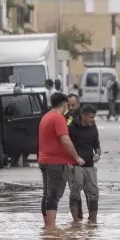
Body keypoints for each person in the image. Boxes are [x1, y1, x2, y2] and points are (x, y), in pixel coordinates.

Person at [38, 92, 86, 228]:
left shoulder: (45, 117)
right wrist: (76, 157)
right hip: (55, 163)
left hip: (44, 160)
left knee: (47, 194)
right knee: (53, 194)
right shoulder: (58, 118)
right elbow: (65, 139)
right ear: (64, 104)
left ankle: (47, 226)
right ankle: (52, 228)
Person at [68, 104, 101, 222]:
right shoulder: (72, 127)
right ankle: (76, 221)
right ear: (83, 116)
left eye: (94, 117)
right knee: (75, 192)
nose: (93, 119)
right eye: (91, 117)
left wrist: (98, 154)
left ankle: (93, 221)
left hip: (90, 165)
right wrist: (70, 161)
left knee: (94, 193)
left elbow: (97, 145)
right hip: (75, 164)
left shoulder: (93, 126)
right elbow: (66, 145)